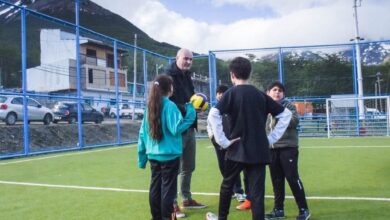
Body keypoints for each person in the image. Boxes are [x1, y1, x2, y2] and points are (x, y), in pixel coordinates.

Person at [206, 57, 292, 220]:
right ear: (249, 73)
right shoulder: (260, 94)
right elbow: (286, 114)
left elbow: (213, 113)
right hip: (258, 151)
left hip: (236, 149)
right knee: (257, 193)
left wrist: (223, 141)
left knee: (227, 185)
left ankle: (222, 217)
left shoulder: (231, 93)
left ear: (232, 75)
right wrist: (271, 138)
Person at [137, 74, 196, 220]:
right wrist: (191, 112)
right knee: (168, 191)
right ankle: (166, 217)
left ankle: (156, 217)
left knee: (155, 187)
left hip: (153, 156)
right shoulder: (170, 106)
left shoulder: (149, 107)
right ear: (169, 88)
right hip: (169, 156)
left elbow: (142, 135)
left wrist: (142, 158)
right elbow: (177, 128)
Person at [166, 48, 207, 218]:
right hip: (177, 127)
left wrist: (197, 105)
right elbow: (167, 101)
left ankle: (186, 198)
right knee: (173, 167)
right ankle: (172, 204)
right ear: (177, 58)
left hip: (190, 126)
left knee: (189, 165)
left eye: (191, 59)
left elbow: (191, 99)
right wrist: (188, 108)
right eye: (186, 58)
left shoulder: (187, 75)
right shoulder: (168, 75)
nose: (188, 62)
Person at [265, 81, 310, 220]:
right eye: (274, 90)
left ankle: (304, 210)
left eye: (280, 90)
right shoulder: (264, 107)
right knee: (276, 180)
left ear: (283, 94)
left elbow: (295, 121)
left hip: (288, 147)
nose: (277, 92)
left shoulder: (288, 106)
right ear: (268, 92)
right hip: (272, 148)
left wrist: (278, 111)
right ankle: (278, 210)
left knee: (292, 177)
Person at [207, 84, 247, 203]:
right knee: (223, 167)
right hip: (218, 144)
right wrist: (212, 137)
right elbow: (210, 126)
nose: (220, 95)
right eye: (218, 93)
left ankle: (239, 191)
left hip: (233, 143)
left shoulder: (233, 108)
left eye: (223, 93)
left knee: (234, 167)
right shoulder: (214, 110)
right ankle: (230, 190)